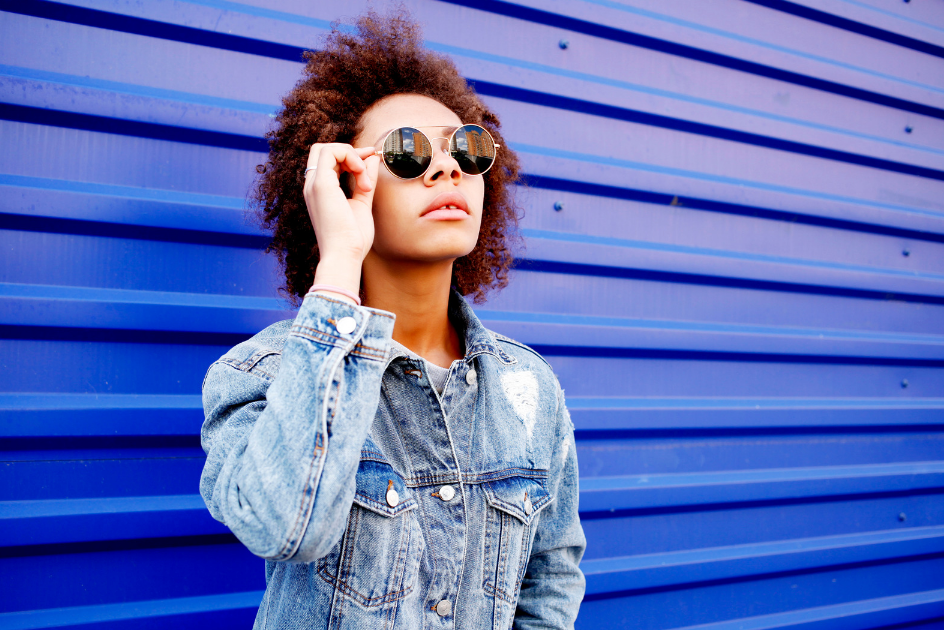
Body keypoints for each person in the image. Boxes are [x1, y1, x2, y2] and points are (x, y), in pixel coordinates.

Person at [199, 10, 586, 629]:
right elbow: (282, 526)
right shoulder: (264, 373)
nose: (448, 167)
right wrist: (340, 260)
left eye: (469, 148)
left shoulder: (527, 389)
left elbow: (552, 574)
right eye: (407, 151)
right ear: (345, 180)